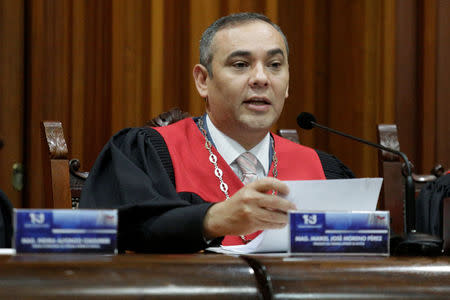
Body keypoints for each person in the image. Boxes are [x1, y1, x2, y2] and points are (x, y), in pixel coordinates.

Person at [80, 12, 353, 253]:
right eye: (240, 65)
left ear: (288, 82)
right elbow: (112, 231)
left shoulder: (324, 170)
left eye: (274, 65)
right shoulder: (149, 151)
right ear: (203, 80)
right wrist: (211, 220)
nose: (261, 78)